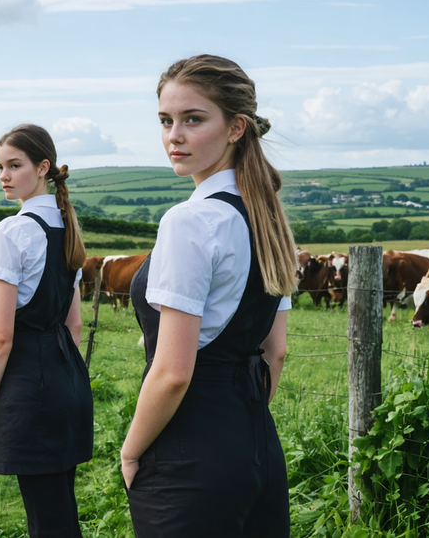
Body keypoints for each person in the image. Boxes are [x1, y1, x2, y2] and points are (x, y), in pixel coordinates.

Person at [121, 55, 299, 537]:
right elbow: (276, 352)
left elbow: (173, 373)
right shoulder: (269, 218)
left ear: (236, 127)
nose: (174, 136)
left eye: (193, 119)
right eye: (166, 120)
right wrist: (242, 430)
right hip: (257, 443)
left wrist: (132, 451)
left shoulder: (191, 220)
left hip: (188, 449)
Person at [0, 124, 94, 538]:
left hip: (30, 390)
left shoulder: (12, 231)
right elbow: (73, 325)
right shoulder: (67, 228)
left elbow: (0, 337)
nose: (3, 176)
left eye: (14, 165)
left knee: (48, 523)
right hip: (69, 386)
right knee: (61, 513)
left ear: (43, 168)